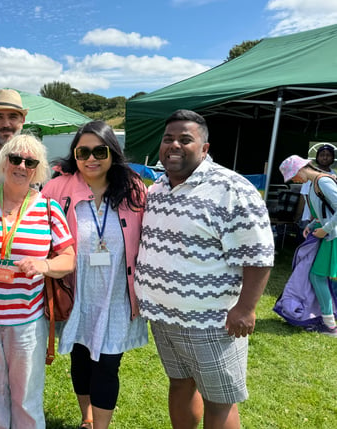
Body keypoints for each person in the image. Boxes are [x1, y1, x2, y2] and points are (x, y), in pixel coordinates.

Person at [134, 109, 275, 429]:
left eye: (186, 140)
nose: (174, 146)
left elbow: (259, 253)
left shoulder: (231, 188)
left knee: (220, 399)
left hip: (213, 319)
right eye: (168, 139)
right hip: (163, 317)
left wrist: (246, 308)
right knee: (180, 383)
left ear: (205, 148)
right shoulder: (157, 190)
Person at [42, 120, 148, 429]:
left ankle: (100, 426)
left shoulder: (133, 187)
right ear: (74, 155)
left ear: (113, 152)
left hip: (117, 295)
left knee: (107, 364)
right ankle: (87, 418)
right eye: (83, 151)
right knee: (81, 358)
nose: (91, 158)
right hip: (77, 293)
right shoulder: (57, 187)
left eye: (99, 151)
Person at [0, 133, 76, 429]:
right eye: (15, 159)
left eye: (30, 162)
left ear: (38, 169)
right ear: (4, 162)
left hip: (27, 320)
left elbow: (69, 258)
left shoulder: (48, 208)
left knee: (27, 396)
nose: (22, 166)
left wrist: (45, 264)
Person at [279, 154, 337, 336]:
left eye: (293, 176)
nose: (294, 180)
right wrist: (313, 225)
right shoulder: (314, 184)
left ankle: (330, 325)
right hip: (328, 234)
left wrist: (325, 229)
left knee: (318, 277)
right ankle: (328, 321)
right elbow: (324, 211)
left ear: (300, 170)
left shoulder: (323, 182)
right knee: (318, 277)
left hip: (332, 236)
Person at [299, 144, 336, 228]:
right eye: (322, 155)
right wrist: (313, 215)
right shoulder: (311, 173)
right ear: (317, 157)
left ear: (333, 158)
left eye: (328, 155)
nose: (325, 158)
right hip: (310, 218)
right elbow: (305, 196)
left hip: (328, 218)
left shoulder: (334, 175)